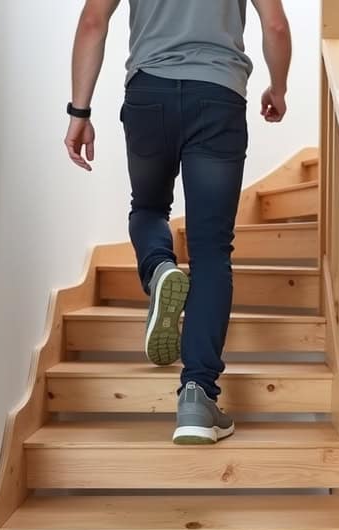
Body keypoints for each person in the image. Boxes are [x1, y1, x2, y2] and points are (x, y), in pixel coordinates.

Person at [65, 0, 292, 445]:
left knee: (148, 209)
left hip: (150, 94)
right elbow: (277, 26)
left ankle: (159, 268)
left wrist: (80, 113)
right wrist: (277, 87)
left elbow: (93, 22)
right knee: (211, 250)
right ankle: (197, 397)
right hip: (219, 96)